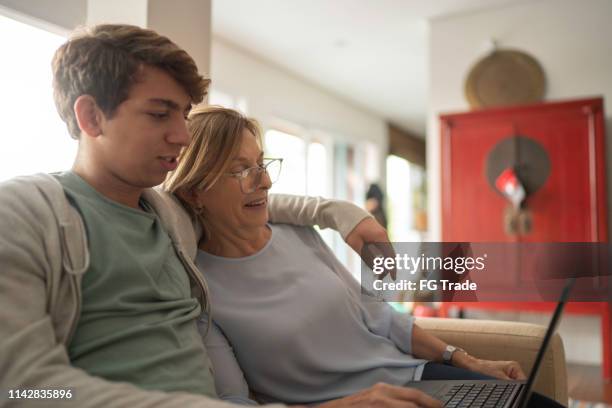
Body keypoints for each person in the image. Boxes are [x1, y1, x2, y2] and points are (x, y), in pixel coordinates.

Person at [0, 24, 440, 408]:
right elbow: (22, 389)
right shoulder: (24, 213)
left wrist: (341, 215)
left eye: (184, 114)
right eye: (159, 114)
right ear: (91, 116)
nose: (182, 135)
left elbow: (243, 201)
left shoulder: (169, 214)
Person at [165, 106, 564, 407]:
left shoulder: (297, 234)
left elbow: (380, 317)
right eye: (241, 170)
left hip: (417, 377)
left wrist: (467, 360)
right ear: (194, 192)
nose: (265, 181)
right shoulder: (201, 289)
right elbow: (236, 403)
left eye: (262, 164)